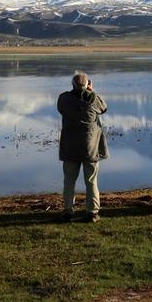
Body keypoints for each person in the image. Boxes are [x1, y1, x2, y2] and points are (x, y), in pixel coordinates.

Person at [57, 73, 108, 223]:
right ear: (87, 84)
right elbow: (104, 107)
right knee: (91, 181)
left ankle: (68, 211)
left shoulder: (64, 99)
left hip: (70, 148)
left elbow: (60, 108)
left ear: (72, 84)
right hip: (90, 148)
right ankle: (92, 212)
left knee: (69, 181)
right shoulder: (94, 100)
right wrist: (91, 91)